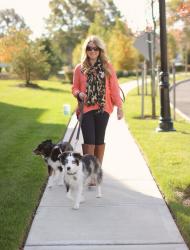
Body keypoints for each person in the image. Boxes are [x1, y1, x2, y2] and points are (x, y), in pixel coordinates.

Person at [72, 35, 123, 174]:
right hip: (86, 109)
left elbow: (114, 88)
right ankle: (89, 172)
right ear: (86, 50)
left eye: (95, 48)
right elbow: (74, 88)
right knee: (90, 140)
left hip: (103, 108)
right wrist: (78, 94)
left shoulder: (107, 67)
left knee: (99, 140)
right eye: (89, 48)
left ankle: (96, 172)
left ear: (100, 50)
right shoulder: (79, 68)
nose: (92, 51)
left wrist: (119, 107)